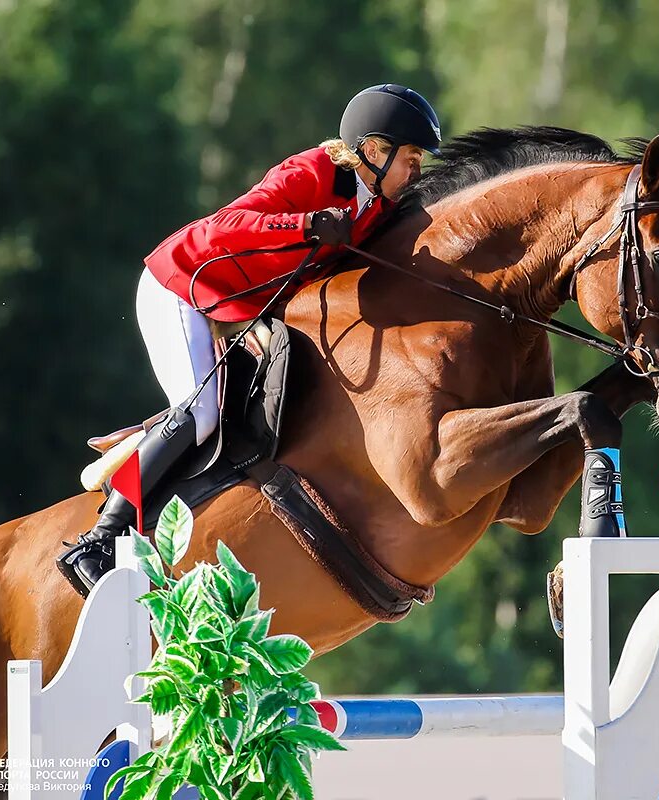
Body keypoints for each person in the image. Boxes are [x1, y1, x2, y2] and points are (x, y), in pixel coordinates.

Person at [56, 84, 442, 596]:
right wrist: (305, 224)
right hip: (183, 283)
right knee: (200, 415)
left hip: (235, 307)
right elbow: (227, 225)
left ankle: (141, 449)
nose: (416, 170)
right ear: (373, 151)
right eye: (410, 157)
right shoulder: (312, 173)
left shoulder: (378, 207)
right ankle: (99, 538)